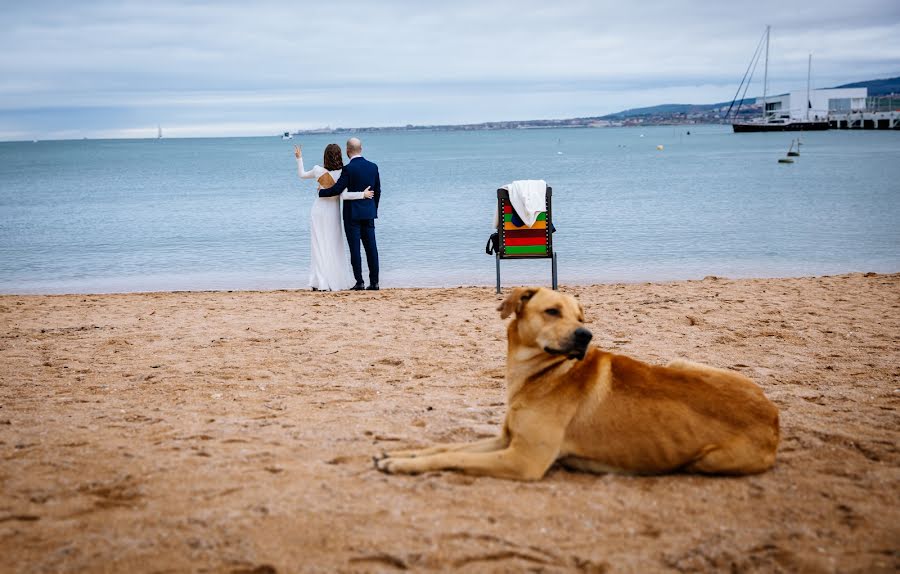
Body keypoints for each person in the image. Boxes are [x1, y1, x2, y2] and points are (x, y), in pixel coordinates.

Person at [295, 143, 374, 291]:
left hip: (318, 210)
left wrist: (299, 158)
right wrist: (362, 194)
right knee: (333, 245)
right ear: (340, 156)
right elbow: (342, 194)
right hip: (333, 212)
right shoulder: (343, 173)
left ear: (325, 156)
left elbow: (302, 175)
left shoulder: (318, 170)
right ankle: (332, 280)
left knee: (318, 245)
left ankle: (319, 282)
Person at [318, 137, 381, 290]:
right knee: (371, 248)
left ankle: (359, 282)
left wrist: (321, 192)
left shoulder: (348, 169)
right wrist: (373, 209)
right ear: (361, 149)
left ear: (347, 151)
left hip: (352, 215)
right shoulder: (373, 167)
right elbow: (378, 191)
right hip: (368, 213)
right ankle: (375, 282)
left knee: (355, 249)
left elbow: (337, 189)